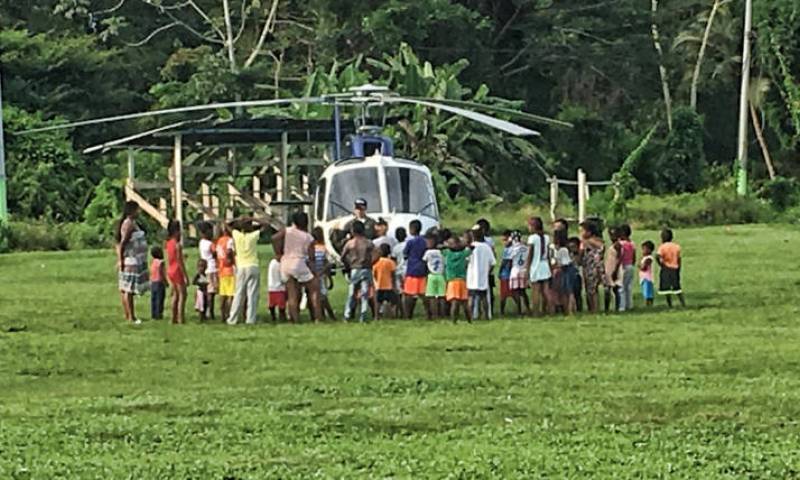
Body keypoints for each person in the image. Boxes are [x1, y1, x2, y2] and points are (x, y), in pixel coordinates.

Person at [272, 212, 321, 323]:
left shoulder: (287, 231)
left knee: (292, 293)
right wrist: (314, 272)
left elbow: (274, 238)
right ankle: (317, 317)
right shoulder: (308, 237)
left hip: (285, 263)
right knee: (314, 289)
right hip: (299, 262)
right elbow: (311, 257)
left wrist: (278, 252)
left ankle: (295, 319)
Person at [227, 217, 265, 325]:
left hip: (242, 266)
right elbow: (266, 225)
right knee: (253, 294)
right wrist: (253, 218)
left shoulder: (237, 235)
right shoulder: (253, 236)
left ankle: (233, 318)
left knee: (239, 293)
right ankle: (250, 319)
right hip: (253, 265)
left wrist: (238, 220)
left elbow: (227, 225)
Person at [116, 201, 149, 324]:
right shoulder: (128, 224)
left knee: (127, 289)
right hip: (131, 261)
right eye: (137, 210)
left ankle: (129, 315)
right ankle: (131, 316)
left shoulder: (133, 223)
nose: (139, 212)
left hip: (135, 259)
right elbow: (123, 243)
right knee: (128, 289)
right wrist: (121, 260)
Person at [341, 221, 374, 322]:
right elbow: (377, 252)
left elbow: (342, 256)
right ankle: (363, 315)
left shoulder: (350, 243)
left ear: (353, 231)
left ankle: (347, 314)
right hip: (366, 268)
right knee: (365, 293)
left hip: (355, 268)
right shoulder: (368, 243)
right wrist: (371, 262)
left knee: (351, 293)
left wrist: (348, 263)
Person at [467, 225, 496, 320]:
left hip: (472, 277)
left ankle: (470, 316)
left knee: (471, 297)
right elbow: (492, 263)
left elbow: (466, 261)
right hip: (483, 277)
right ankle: (486, 315)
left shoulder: (470, 248)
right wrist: (487, 272)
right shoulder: (486, 247)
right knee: (484, 298)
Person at [525, 217, 552, 316]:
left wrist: (527, 269)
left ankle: (535, 311)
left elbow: (530, 255)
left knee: (535, 291)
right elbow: (548, 254)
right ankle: (550, 310)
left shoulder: (532, 238)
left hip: (535, 265)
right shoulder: (546, 237)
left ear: (533, 226)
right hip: (544, 264)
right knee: (546, 290)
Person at [579, 220, 605, 314]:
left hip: (592, 267)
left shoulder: (592, 241)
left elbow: (601, 247)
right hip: (588, 267)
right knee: (590, 290)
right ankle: (592, 308)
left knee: (592, 290)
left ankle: (594, 308)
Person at [403, 220, 428, 318]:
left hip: (412, 269)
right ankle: (428, 313)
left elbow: (405, 254)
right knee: (424, 294)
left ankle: (408, 315)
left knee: (409, 294)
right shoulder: (424, 241)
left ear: (412, 229)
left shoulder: (410, 242)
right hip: (422, 268)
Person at [165, 220, 189, 324]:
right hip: (177, 270)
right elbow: (180, 261)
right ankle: (180, 317)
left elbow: (171, 257)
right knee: (182, 295)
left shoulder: (168, 243)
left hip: (170, 269)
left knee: (175, 294)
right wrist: (186, 276)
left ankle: (173, 317)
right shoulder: (177, 245)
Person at [444, 235, 471, 323]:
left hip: (452, 281)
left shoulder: (447, 253)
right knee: (464, 303)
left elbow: (440, 247)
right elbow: (470, 248)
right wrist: (462, 244)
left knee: (454, 302)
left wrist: (447, 245)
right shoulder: (463, 253)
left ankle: (453, 321)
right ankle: (469, 320)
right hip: (462, 280)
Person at [312, 227, 337, 321]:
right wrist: (329, 278)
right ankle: (330, 315)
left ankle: (320, 314)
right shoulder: (323, 249)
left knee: (317, 296)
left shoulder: (310, 249)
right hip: (321, 275)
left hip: (312, 275)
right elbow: (329, 263)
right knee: (323, 297)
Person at [657, 228, 686, 307]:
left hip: (666, 268)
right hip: (675, 268)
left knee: (666, 289)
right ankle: (682, 302)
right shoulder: (676, 246)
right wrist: (679, 267)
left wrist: (661, 264)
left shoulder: (662, 247)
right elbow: (679, 258)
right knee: (677, 287)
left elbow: (658, 256)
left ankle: (670, 304)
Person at [552, 229, 577, 315]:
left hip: (567, 270)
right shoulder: (560, 250)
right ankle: (568, 309)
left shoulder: (563, 250)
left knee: (569, 291)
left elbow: (565, 263)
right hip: (564, 270)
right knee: (565, 291)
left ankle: (571, 310)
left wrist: (556, 267)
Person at [423, 234, 446, 319]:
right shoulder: (441, 252)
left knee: (432, 297)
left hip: (432, 275)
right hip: (441, 275)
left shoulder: (428, 252)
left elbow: (424, 262)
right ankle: (442, 314)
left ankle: (434, 314)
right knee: (441, 296)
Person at [198, 222, 218, 320]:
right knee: (211, 292)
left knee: (204, 292)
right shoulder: (210, 244)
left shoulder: (201, 242)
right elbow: (215, 253)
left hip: (203, 268)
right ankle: (211, 312)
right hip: (212, 267)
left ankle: (203, 311)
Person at [215, 224, 236, 321]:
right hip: (230, 270)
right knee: (231, 294)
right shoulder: (230, 240)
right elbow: (228, 252)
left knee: (223, 294)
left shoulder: (219, 241)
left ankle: (222, 314)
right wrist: (231, 260)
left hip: (221, 269)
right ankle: (229, 314)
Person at [508, 231, 530, 316]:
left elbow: (509, 260)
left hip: (515, 270)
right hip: (523, 270)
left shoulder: (513, 249)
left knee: (516, 292)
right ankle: (528, 308)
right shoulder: (526, 247)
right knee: (523, 292)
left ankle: (519, 310)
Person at [372, 244, 397, 319]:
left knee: (378, 302)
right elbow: (393, 274)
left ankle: (376, 316)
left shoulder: (376, 262)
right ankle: (392, 315)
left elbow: (374, 273)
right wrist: (394, 285)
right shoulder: (391, 262)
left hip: (379, 285)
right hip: (389, 285)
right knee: (392, 302)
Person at [604, 226, 623, 313]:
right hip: (609, 267)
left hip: (614, 268)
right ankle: (608, 308)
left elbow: (619, 258)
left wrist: (615, 271)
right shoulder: (613, 244)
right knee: (608, 289)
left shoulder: (617, 245)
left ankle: (616, 307)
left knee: (613, 289)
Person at [618, 224, 636, 312]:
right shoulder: (632, 244)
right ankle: (630, 305)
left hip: (623, 266)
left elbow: (620, 256)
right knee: (628, 286)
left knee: (621, 287)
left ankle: (622, 306)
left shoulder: (621, 244)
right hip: (630, 266)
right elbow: (634, 256)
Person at [498, 230, 514, 316]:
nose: (504, 242)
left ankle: (502, 311)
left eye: (505, 240)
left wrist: (500, 271)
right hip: (510, 274)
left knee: (503, 295)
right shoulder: (512, 248)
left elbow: (505, 261)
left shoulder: (508, 249)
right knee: (514, 293)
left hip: (505, 274)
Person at [267, 256, 287, 322]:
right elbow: (283, 278)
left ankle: (273, 315)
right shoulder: (280, 264)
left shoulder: (272, 263)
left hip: (271, 287)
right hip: (280, 288)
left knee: (272, 303)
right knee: (281, 305)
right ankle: (282, 317)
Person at [149, 246, 166, 320]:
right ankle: (159, 314)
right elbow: (161, 273)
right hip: (159, 282)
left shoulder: (153, 262)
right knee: (160, 298)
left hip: (153, 282)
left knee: (154, 298)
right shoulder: (161, 262)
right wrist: (165, 281)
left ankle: (153, 314)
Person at [567, 237, 584, 312]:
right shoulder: (568, 255)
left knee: (577, 294)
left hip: (577, 275)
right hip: (570, 275)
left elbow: (579, 262)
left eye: (574, 247)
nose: (572, 249)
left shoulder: (579, 255)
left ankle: (579, 308)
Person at [639, 240, 656, 307]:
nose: (643, 251)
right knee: (646, 292)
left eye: (644, 249)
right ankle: (649, 304)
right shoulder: (644, 258)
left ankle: (648, 304)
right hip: (644, 278)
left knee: (647, 293)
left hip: (647, 278)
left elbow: (644, 267)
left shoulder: (649, 258)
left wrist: (640, 266)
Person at [392, 227, 408, 293]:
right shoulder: (408, 244)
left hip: (398, 269)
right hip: (408, 269)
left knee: (400, 290)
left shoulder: (395, 248)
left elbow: (393, 260)